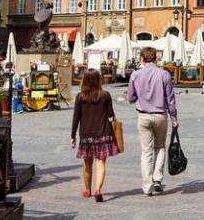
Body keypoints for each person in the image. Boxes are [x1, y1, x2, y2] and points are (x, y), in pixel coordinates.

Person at [126, 47, 178, 196]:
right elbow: (170, 100)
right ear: (155, 58)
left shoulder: (136, 75)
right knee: (160, 147)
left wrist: (140, 96)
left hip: (143, 116)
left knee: (146, 151)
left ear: (142, 59)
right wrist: (174, 117)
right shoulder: (164, 74)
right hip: (160, 115)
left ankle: (147, 186)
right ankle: (157, 179)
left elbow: (130, 98)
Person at [71, 69, 119, 202]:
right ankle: (98, 189)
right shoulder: (105, 95)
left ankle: (88, 190)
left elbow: (76, 117)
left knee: (87, 164)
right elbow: (110, 114)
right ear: (99, 80)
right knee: (100, 163)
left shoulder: (80, 97)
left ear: (84, 80)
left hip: (86, 135)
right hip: (103, 133)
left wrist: (73, 135)